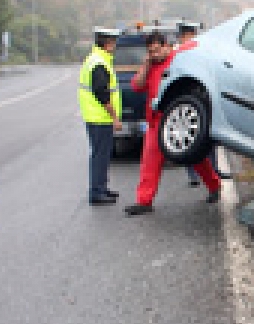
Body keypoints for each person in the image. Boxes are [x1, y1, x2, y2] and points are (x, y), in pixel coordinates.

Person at [124, 31, 220, 216]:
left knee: (194, 158)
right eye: (151, 52)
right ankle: (144, 201)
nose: (155, 54)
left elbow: (197, 47)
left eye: (158, 50)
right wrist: (146, 64)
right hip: (155, 122)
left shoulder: (179, 60)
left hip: (178, 119)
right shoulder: (151, 66)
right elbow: (137, 85)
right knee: (149, 162)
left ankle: (214, 186)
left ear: (167, 46)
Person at [175, 20, 233, 185]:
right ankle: (193, 174)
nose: (191, 38)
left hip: (202, 97)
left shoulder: (199, 50)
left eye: (192, 35)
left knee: (208, 136)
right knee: (189, 138)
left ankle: (213, 169)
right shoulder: (178, 53)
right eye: (188, 35)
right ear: (182, 36)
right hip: (186, 100)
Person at [79, 27, 123, 206]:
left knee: (102, 155)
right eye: (113, 42)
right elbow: (102, 94)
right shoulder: (98, 63)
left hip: (97, 117)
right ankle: (97, 192)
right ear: (107, 43)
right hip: (99, 117)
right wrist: (115, 118)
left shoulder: (97, 59)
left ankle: (102, 188)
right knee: (100, 155)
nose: (114, 45)